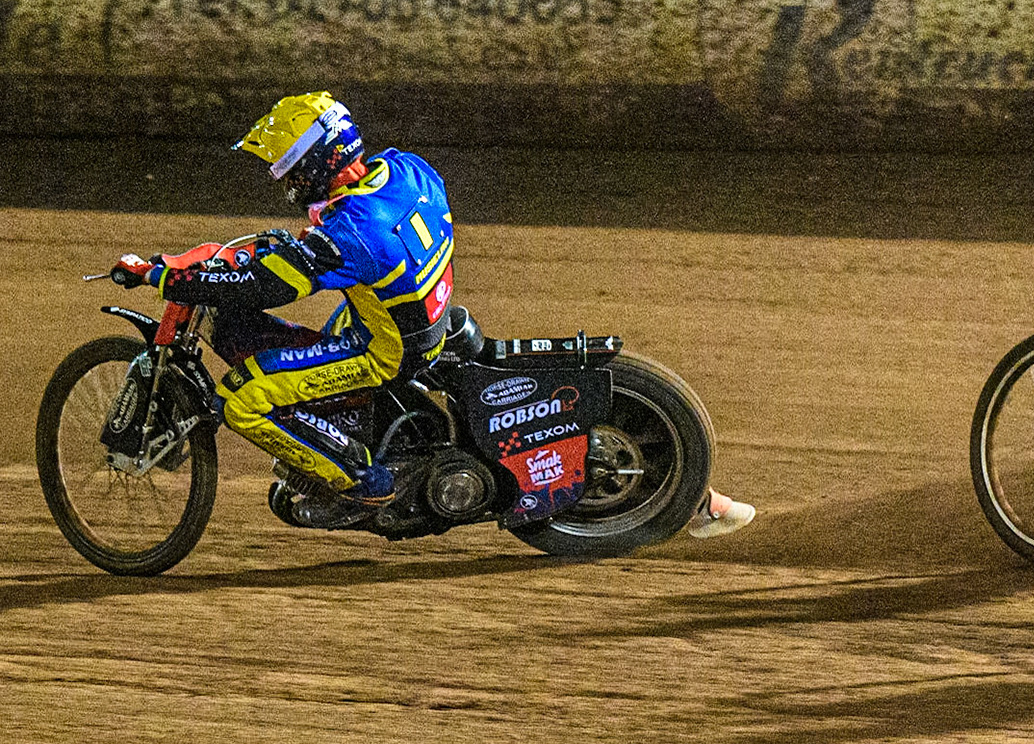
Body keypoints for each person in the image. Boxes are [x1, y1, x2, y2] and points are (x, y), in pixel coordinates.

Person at [112, 91, 753, 538]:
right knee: (245, 330)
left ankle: (364, 482)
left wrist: (171, 273)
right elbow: (298, 250)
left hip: (386, 349)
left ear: (316, 161)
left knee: (244, 399)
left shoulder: (353, 233)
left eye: (286, 167)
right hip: (429, 315)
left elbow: (271, 280)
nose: (282, 181)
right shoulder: (405, 171)